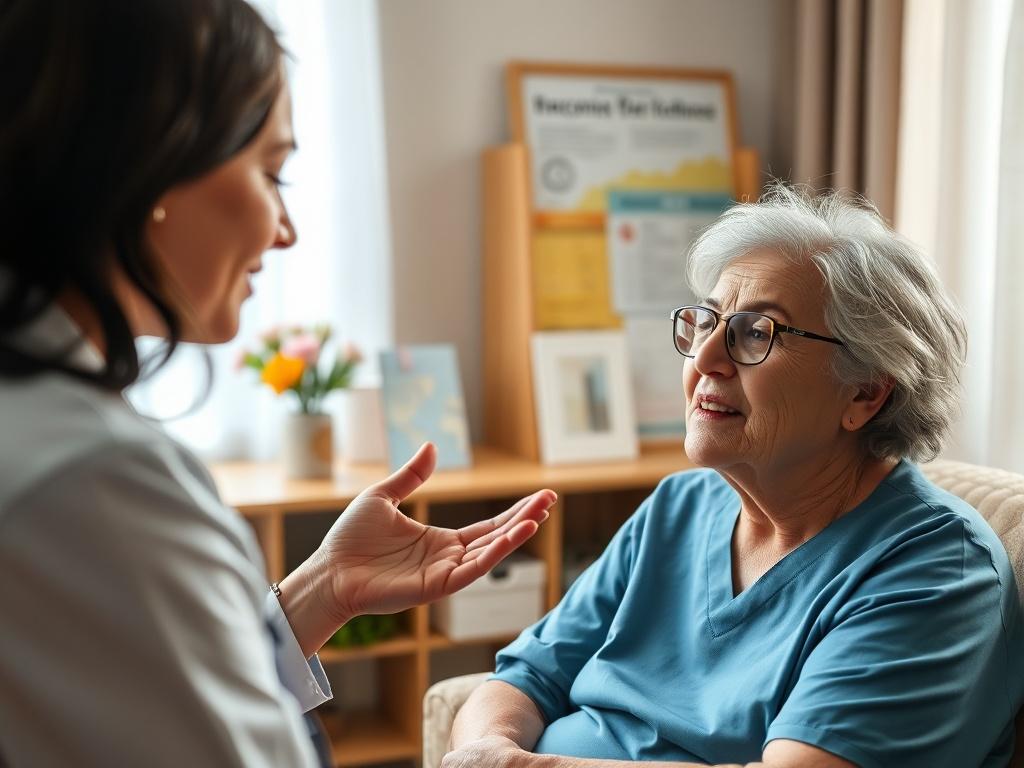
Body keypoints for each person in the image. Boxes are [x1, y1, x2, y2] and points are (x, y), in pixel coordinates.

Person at [0, 1, 556, 766]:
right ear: (147, 161)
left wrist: (322, 588)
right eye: (270, 173)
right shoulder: (89, 477)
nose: (284, 229)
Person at [446, 185, 1024, 768]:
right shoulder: (682, 504)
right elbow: (526, 675)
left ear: (865, 394)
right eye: (706, 321)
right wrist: (485, 747)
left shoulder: (937, 571)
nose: (703, 360)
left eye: (757, 333)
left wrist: (523, 766)